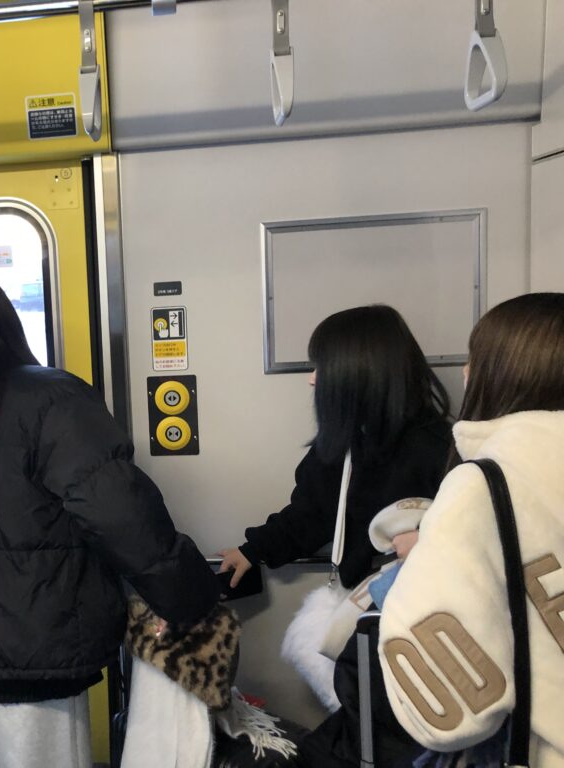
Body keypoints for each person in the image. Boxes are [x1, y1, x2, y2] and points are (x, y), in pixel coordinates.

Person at [0, 271, 221, 768]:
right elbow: (118, 511)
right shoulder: (54, 397)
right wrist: (190, 596)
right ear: (8, 322)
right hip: (33, 644)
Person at [379, 292, 564, 767]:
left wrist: (424, 557)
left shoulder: (484, 484)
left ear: (503, 371)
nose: (464, 371)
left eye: (474, 357)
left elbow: (450, 712)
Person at [217, 305, 453, 593]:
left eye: (322, 367)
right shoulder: (344, 443)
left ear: (359, 372)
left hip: (422, 603)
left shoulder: (439, 450)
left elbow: (473, 534)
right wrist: (253, 550)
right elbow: (311, 515)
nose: (312, 378)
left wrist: (429, 542)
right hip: (361, 597)